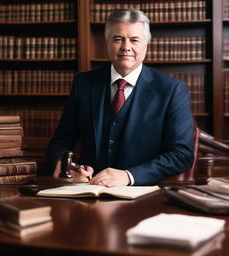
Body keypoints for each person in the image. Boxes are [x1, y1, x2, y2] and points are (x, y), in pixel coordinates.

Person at [46, 9, 194, 186]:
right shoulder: (83, 84)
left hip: (143, 195)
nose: (126, 47)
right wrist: (66, 168)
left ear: (146, 45)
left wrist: (129, 176)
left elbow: (181, 155)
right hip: (88, 192)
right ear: (107, 44)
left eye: (134, 40)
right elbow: (59, 144)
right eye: (118, 39)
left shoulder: (171, 90)